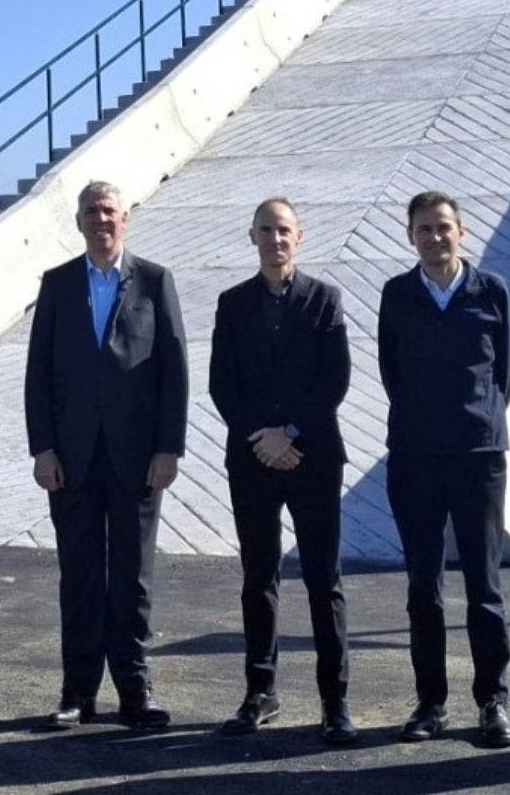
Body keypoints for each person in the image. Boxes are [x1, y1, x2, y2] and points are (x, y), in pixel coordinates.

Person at [25, 181, 187, 730]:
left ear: (125, 218)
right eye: (91, 212)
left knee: (132, 575)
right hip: (71, 459)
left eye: (109, 211)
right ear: (78, 222)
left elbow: (174, 370)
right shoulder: (57, 284)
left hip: (137, 458)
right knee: (79, 576)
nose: (101, 220)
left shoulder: (155, 281)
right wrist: (43, 448)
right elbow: (39, 374)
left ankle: (136, 688)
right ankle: (78, 691)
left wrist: (168, 447)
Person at [207, 198, 354, 743]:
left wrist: (288, 433)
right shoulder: (232, 303)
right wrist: (262, 438)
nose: (276, 239)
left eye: (284, 230)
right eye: (266, 230)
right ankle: (260, 692)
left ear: (300, 237)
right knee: (258, 578)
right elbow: (222, 383)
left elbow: (334, 380)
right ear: (253, 236)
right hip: (252, 459)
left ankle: (334, 702)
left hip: (313, 457)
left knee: (323, 580)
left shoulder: (324, 299)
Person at [376, 191, 510, 747]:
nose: (434, 237)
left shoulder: (492, 291)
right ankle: (430, 702)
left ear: (461, 231)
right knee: (423, 588)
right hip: (415, 459)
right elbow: (392, 372)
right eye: (424, 229)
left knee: (484, 587)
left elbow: (506, 372)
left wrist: (476, 419)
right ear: (411, 236)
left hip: (478, 459)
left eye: (443, 227)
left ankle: (493, 702)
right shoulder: (397, 294)